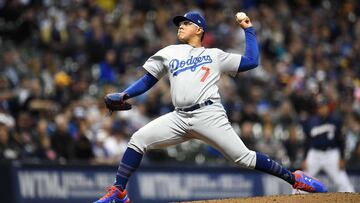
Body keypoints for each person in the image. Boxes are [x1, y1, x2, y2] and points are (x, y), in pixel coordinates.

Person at [94, 11, 327, 203]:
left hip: (209, 114)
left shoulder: (215, 55)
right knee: (138, 139)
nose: (181, 26)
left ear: (199, 29)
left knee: (243, 158)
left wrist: (249, 29)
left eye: (186, 23)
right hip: (178, 117)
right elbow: (148, 80)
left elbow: (252, 61)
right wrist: (125, 93)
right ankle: (119, 191)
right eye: (180, 23)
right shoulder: (169, 52)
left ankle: (294, 179)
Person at [300, 95, 355, 192]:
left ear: (328, 107)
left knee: (344, 183)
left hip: (331, 154)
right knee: (303, 181)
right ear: (317, 108)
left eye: (324, 106)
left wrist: (341, 158)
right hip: (314, 154)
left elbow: (341, 141)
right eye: (320, 107)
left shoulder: (336, 120)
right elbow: (307, 141)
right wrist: (304, 158)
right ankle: (295, 199)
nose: (322, 109)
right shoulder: (311, 121)